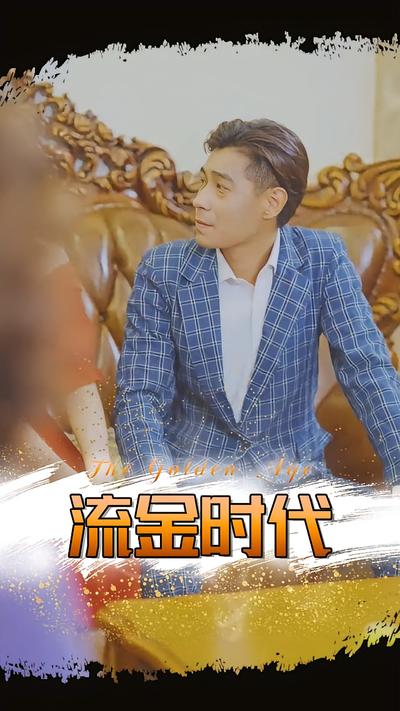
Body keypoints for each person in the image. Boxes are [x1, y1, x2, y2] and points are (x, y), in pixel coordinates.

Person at [115, 118, 400, 589]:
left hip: (296, 480)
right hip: (194, 483)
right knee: (169, 571)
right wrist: (159, 492)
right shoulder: (164, 270)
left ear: (272, 202)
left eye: (221, 188)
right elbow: (140, 395)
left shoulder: (323, 259)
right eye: (203, 182)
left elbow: (368, 371)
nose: (200, 199)